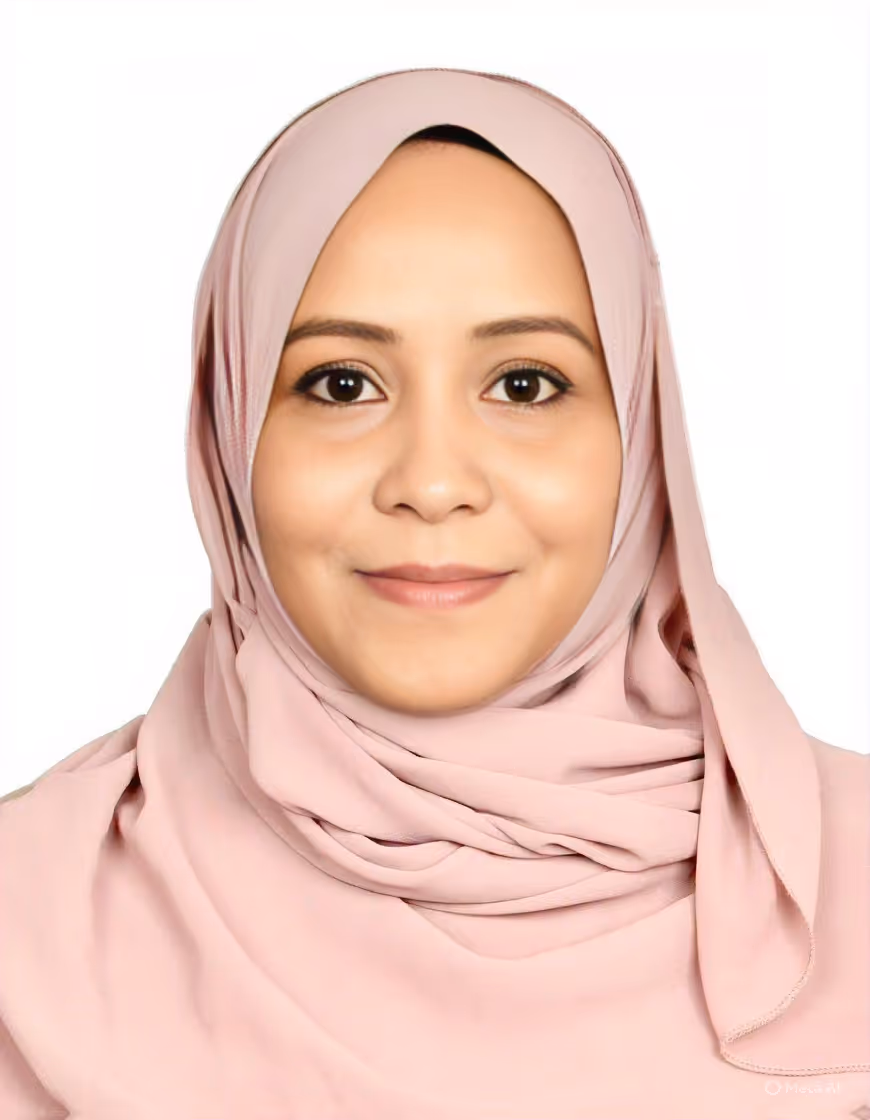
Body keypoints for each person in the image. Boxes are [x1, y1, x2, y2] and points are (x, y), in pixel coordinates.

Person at [1, 67, 867, 1119]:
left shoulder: (853, 880)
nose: (433, 482)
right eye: (341, 384)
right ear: (231, 432)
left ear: (640, 436)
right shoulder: (27, 923)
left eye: (525, 384)